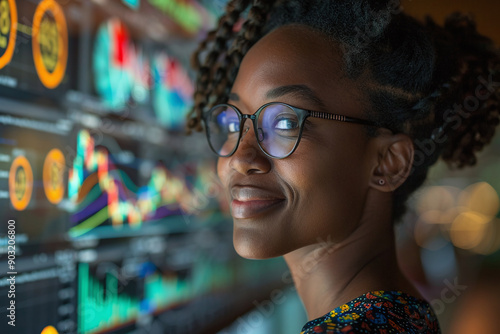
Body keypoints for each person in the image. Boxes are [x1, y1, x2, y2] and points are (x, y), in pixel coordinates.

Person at [185, 0, 500, 332]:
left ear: (387, 163)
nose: (239, 159)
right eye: (234, 124)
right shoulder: (399, 316)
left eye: (285, 123)